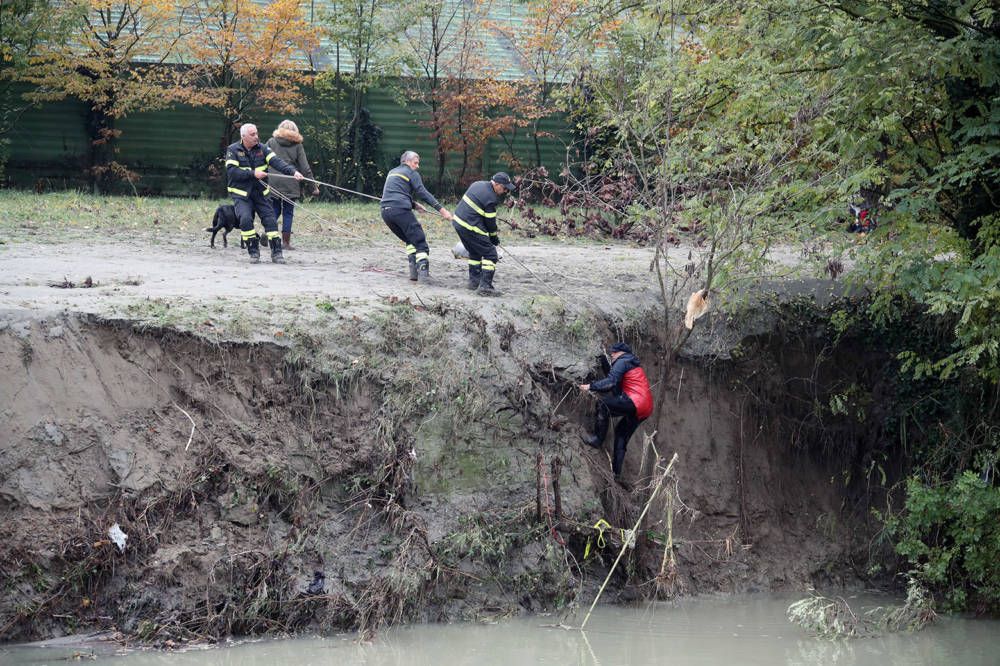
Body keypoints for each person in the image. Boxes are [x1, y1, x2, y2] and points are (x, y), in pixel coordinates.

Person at [225, 123, 304, 264]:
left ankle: (277, 253)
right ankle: (254, 252)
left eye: (256, 133)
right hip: (241, 195)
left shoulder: (263, 148)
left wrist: (294, 172)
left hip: (261, 194)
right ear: (243, 137)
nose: (256, 137)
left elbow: (277, 162)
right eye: (252, 134)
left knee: (270, 220)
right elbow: (232, 172)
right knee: (245, 220)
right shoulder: (233, 150)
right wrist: (252, 173)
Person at [579, 342, 654, 479]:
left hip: (635, 400)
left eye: (613, 352)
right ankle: (616, 473)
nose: (611, 354)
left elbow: (610, 382)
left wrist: (590, 386)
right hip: (645, 407)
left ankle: (597, 439)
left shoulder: (623, 360)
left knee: (603, 405)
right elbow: (614, 378)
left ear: (620, 353)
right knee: (621, 434)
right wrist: (603, 359)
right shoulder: (630, 362)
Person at [380, 151, 452, 282]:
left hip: (385, 212)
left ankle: (414, 274)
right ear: (407, 162)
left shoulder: (392, 172)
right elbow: (422, 192)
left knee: (410, 239)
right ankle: (424, 276)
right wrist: (442, 210)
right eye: (416, 163)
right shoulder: (411, 173)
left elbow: (394, 193)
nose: (417, 166)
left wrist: (414, 205)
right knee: (420, 242)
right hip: (400, 210)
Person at [452, 172, 515, 296]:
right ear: (496, 184)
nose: (505, 191)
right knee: (491, 254)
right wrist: (494, 238)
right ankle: (485, 287)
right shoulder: (491, 198)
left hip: (458, 223)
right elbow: (490, 223)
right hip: (470, 226)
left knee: (475, 252)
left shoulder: (478, 184)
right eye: (504, 188)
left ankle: (474, 282)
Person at [266, 119, 319, 250]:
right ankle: (286, 243)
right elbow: (305, 168)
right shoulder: (297, 145)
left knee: (275, 210)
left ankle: (266, 233)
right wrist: (313, 187)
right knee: (288, 213)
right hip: (291, 182)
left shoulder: (271, 142)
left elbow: (262, 158)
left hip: (274, 181)